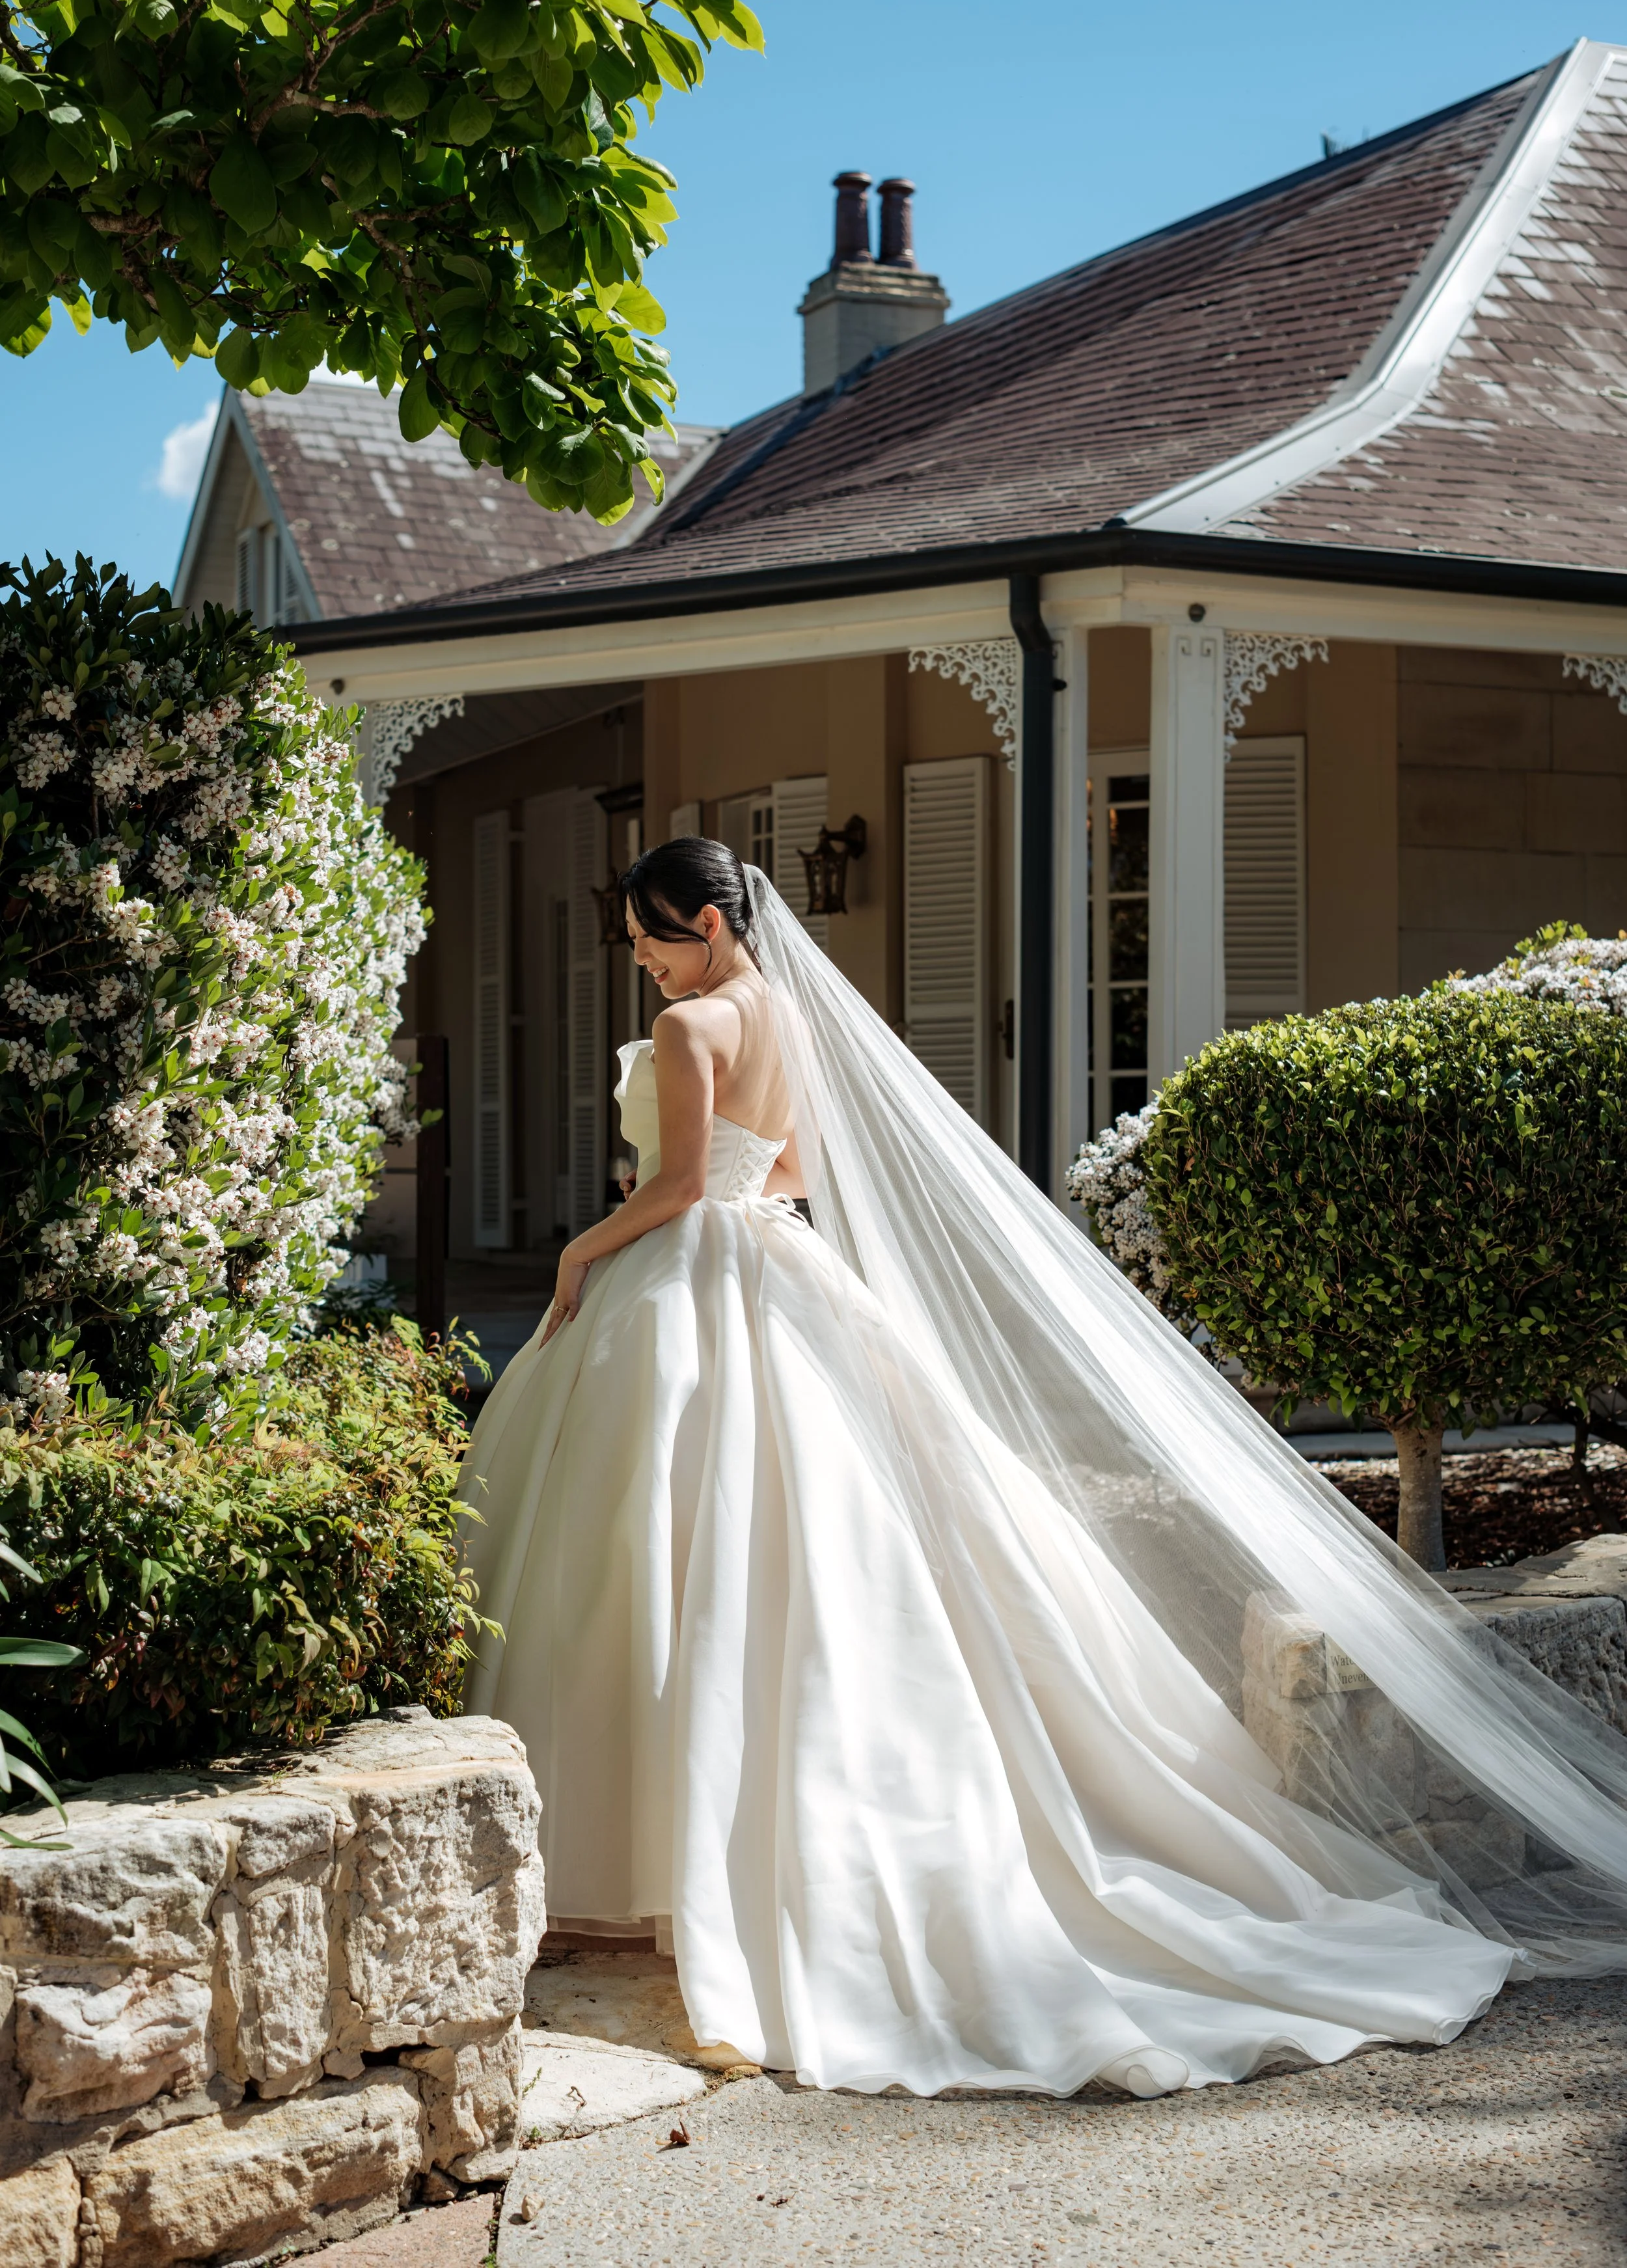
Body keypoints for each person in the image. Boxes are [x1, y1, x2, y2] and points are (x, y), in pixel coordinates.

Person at [461, 840, 1627, 2099]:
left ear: (702, 922)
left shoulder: (691, 1030)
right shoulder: (791, 1016)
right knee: (802, 1555)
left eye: (649, 937)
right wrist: (717, 1188)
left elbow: (685, 1186)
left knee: (656, 1552)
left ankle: (640, 1856)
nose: (640, 960)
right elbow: (789, 1173)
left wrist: (584, 1247)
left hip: (689, 1283)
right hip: (779, 1271)